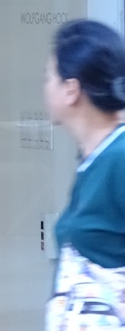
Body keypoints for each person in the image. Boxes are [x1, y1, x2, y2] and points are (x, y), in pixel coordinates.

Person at [44, 19, 125, 329]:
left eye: (49, 77)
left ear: (71, 90)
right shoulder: (94, 160)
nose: (45, 86)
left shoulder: (119, 158)